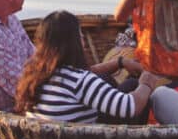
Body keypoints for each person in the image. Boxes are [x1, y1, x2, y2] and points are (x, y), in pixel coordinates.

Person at [15, 10, 158, 123]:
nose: (83, 40)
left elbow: (88, 73)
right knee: (132, 85)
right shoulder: (80, 81)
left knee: (104, 78)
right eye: (80, 36)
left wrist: (119, 62)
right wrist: (147, 82)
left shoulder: (36, 75)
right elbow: (131, 107)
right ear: (74, 43)